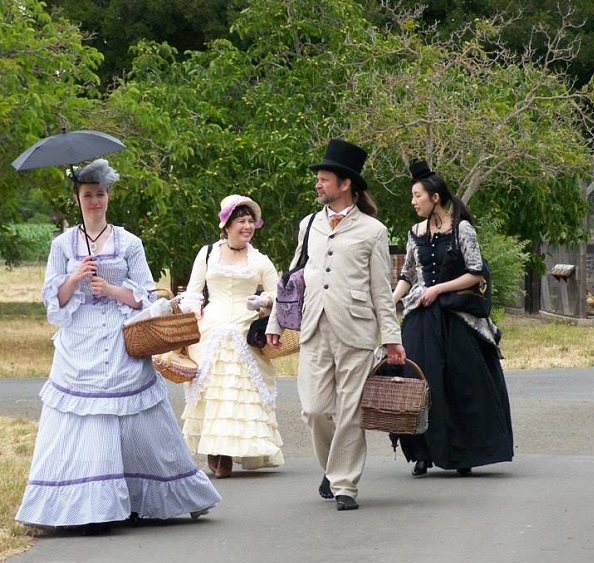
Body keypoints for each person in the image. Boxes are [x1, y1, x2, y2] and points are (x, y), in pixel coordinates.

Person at [15, 159, 221, 533]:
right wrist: (75, 276)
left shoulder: (129, 242)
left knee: (137, 418)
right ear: (77, 199)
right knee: (81, 420)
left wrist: (110, 289)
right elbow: (53, 302)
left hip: (122, 338)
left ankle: (147, 497)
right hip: (79, 341)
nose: (95, 201)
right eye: (87, 195)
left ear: (109, 197)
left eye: (100, 194)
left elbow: (146, 295)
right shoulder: (63, 244)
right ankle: (85, 505)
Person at [266, 139, 405, 511]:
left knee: (350, 411)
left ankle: (344, 483)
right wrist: (276, 321)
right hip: (313, 326)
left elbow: (381, 289)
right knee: (313, 409)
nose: (318, 185)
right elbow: (292, 276)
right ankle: (332, 467)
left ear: (345, 184)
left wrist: (392, 338)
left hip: (356, 329)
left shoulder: (373, 230)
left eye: (324, 179)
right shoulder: (308, 224)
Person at [390, 159, 513, 477]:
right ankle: (422, 453)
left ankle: (463, 453)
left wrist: (439, 289)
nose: (413, 201)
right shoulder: (415, 232)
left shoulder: (462, 229)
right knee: (419, 384)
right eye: (412, 195)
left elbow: (474, 273)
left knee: (460, 384)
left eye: (418, 195)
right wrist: (389, 302)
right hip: (421, 317)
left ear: (435, 197)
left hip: (455, 317)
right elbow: (407, 275)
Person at [181, 195, 284, 478]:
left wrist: (263, 301)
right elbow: (193, 291)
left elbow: (278, 294)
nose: (247, 226)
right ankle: (215, 450)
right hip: (211, 329)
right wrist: (189, 317)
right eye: (241, 221)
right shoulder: (207, 254)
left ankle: (228, 452)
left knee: (237, 392)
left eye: (251, 221)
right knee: (213, 391)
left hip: (245, 329)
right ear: (227, 225)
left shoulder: (260, 260)